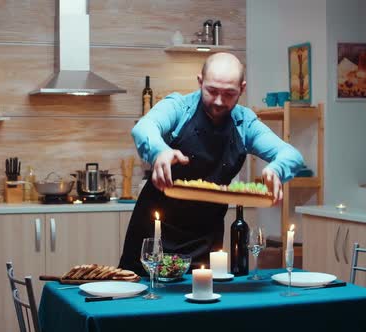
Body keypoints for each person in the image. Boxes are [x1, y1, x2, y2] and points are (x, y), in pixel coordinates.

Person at [118, 53, 304, 275]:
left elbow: (291, 155)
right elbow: (144, 127)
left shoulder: (245, 123)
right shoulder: (179, 107)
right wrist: (160, 153)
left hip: (205, 237)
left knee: (199, 302)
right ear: (200, 81)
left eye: (229, 94)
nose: (218, 101)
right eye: (212, 91)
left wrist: (276, 168)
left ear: (242, 89)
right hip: (154, 231)